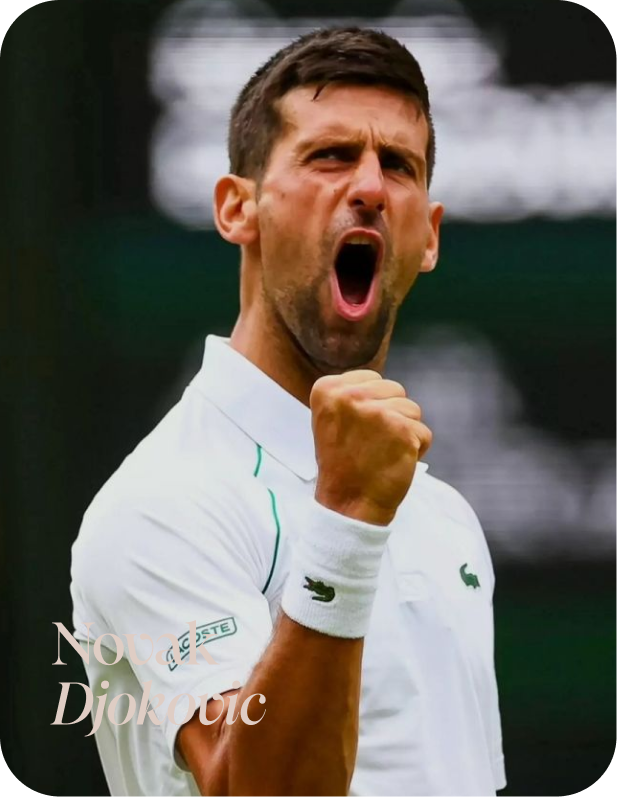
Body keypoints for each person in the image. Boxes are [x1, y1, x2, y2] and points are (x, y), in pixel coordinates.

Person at [71, 25, 506, 797]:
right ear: (237, 208)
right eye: (329, 156)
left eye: (397, 165)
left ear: (428, 237)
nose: (369, 187)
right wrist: (347, 521)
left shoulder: (444, 516)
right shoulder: (162, 503)